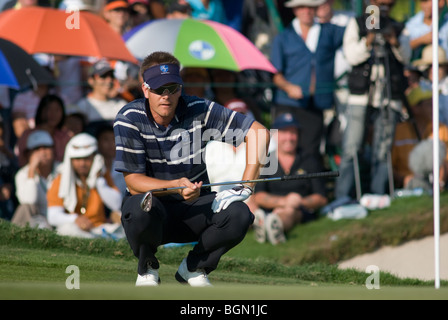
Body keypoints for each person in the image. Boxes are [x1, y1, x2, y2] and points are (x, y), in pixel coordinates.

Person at [113, 51, 270, 287]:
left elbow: (259, 132)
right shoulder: (129, 118)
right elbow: (133, 182)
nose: (166, 96)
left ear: (181, 87)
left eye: (173, 88)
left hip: (195, 207)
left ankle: (195, 268)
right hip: (153, 208)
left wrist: (246, 186)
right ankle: (147, 268)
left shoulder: (198, 108)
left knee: (240, 214)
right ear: (145, 89)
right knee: (137, 209)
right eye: (158, 89)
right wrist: (175, 187)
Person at [334, 0, 411, 200]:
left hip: (388, 96)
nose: (383, 8)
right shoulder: (357, 24)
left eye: (387, 4)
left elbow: (406, 57)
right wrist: (368, 39)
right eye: (379, 3)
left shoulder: (398, 26)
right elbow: (351, 56)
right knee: (352, 146)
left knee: (383, 148)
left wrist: (394, 40)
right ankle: (344, 195)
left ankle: (378, 194)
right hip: (361, 96)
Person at [269, 0, 345, 162]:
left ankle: (309, 187)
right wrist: (288, 87)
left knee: (310, 152)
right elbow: (275, 74)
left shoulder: (329, 32)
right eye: (302, 6)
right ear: (295, 9)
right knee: (283, 150)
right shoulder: (283, 37)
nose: (307, 11)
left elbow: (363, 29)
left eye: (311, 6)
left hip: (315, 105)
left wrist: (373, 7)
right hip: (287, 103)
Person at [252, 113, 328, 245]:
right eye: (284, 132)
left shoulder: (309, 160)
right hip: (271, 207)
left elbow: (321, 197)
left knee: (290, 211)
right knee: (249, 204)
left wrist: (300, 202)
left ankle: (274, 225)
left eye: (293, 133)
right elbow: (258, 196)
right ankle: (266, 224)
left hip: (299, 209)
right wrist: (284, 201)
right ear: (275, 135)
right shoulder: (266, 160)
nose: (289, 137)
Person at [46, 133, 124, 238]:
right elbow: (53, 216)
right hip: (75, 228)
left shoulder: (102, 176)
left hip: (99, 228)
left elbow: (116, 204)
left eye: (87, 158)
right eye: (77, 159)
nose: (82, 163)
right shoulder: (61, 179)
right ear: (71, 160)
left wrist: (99, 182)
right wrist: (75, 219)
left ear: (95, 158)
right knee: (66, 229)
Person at [391, 85, 448, 190]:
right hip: (408, 186)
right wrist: (404, 179)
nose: (434, 108)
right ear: (415, 108)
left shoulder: (441, 128)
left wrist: (440, 182)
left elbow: (445, 162)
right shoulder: (399, 131)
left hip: (437, 184)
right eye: (429, 104)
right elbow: (390, 166)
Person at [11, 130, 60, 229]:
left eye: (46, 147)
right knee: (24, 208)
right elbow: (29, 200)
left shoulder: (62, 170)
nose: (42, 152)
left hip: (60, 218)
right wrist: (32, 169)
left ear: (53, 150)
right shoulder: (22, 174)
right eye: (37, 149)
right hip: (36, 220)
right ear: (28, 154)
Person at [71, 59, 128, 132]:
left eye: (111, 76)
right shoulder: (82, 107)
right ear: (91, 80)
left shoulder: (121, 105)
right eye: (103, 76)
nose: (109, 80)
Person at [17, 94, 71, 167]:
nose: (53, 114)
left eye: (57, 110)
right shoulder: (28, 134)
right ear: (41, 111)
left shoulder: (65, 136)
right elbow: (22, 160)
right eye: (49, 109)